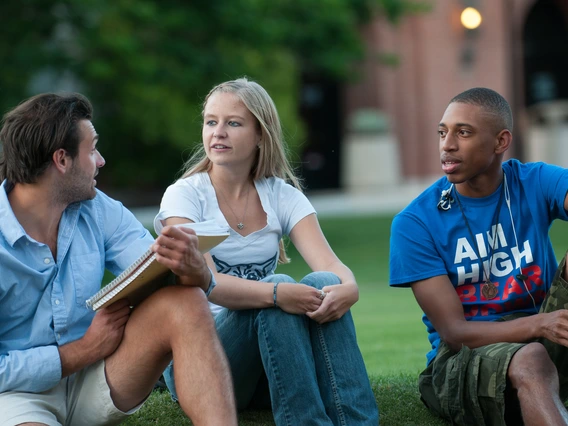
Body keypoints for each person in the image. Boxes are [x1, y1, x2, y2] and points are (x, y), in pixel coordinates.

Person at [0, 93, 237, 425]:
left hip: (97, 376)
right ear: (62, 160)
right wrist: (83, 350)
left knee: (186, 301)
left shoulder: (97, 208)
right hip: (16, 396)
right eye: (92, 149)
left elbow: (157, 269)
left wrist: (192, 268)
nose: (101, 161)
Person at [154, 77, 379, 426]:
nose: (218, 132)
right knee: (276, 290)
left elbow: (331, 265)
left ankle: (358, 422)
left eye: (233, 123)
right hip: (202, 366)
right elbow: (208, 282)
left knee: (322, 280)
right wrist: (277, 293)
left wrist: (349, 288)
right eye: (211, 122)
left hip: (269, 364)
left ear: (261, 134)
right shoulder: (184, 196)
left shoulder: (280, 195)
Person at [389, 87, 568, 425]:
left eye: (463, 132)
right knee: (530, 357)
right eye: (443, 132)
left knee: (535, 352)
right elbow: (454, 332)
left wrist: (545, 325)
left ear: (501, 142)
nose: (447, 145)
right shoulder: (415, 223)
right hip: (464, 358)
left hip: (547, 335)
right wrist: (541, 324)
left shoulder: (534, 181)